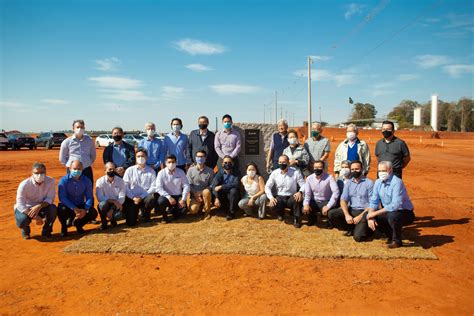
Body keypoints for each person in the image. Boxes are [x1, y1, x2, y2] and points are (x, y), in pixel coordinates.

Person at [366, 161, 415, 248]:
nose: (381, 173)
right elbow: (374, 201)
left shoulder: (397, 182)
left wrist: (375, 213)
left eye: (384, 170)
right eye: (379, 171)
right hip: (389, 211)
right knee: (371, 216)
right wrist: (370, 215)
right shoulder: (377, 182)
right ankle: (391, 235)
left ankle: (397, 241)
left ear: (390, 170)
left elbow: (396, 205)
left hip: (404, 212)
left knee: (393, 215)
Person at [327, 160, 374, 239]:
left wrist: (360, 216)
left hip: (364, 212)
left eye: (357, 169)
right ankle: (351, 228)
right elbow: (343, 200)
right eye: (352, 169)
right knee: (332, 214)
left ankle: (368, 230)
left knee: (358, 238)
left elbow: (372, 204)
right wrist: (346, 214)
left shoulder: (369, 183)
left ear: (362, 169)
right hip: (352, 210)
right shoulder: (349, 183)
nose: (354, 171)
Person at [14, 162, 57, 239]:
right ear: (32, 173)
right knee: (22, 220)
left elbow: (50, 198)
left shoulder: (50, 181)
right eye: (36, 173)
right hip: (26, 209)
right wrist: (35, 216)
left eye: (42, 172)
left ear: (46, 172)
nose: (39, 175)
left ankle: (46, 231)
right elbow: (20, 205)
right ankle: (25, 229)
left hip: (41, 207)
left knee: (53, 209)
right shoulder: (24, 184)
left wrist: (39, 206)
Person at [58, 160, 98, 237]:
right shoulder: (63, 181)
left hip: (80, 206)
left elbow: (89, 197)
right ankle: (64, 227)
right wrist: (74, 208)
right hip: (68, 206)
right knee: (61, 208)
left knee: (93, 212)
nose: (77, 171)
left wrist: (85, 209)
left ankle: (79, 224)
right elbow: (62, 197)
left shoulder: (87, 181)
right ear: (70, 169)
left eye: (79, 169)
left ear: (82, 169)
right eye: (74, 168)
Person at [265, 155, 305, 228]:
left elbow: (303, 184)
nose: (281, 164)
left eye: (284, 162)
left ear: (288, 163)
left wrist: (300, 192)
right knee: (273, 205)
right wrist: (271, 198)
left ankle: (296, 218)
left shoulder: (295, 172)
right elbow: (267, 186)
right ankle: (280, 213)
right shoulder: (275, 173)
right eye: (280, 162)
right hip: (280, 197)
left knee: (297, 199)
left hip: (291, 197)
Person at [122, 148, 157, 226]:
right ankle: (134, 213)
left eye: (142, 156)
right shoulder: (129, 170)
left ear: (146, 157)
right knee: (131, 223)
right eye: (138, 156)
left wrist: (141, 197)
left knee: (151, 198)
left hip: (145, 198)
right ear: (135, 157)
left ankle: (146, 214)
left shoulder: (151, 171)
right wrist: (133, 198)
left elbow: (154, 187)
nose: (140, 158)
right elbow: (125, 186)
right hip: (132, 199)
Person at [303, 160, 339, 227]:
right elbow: (307, 193)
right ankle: (312, 219)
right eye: (315, 167)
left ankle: (330, 222)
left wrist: (328, 206)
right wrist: (306, 204)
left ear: (323, 168)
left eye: (319, 167)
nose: (317, 169)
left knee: (330, 211)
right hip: (314, 201)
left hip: (326, 201)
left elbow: (336, 192)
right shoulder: (309, 178)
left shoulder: (330, 178)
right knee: (304, 208)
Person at [156, 154, 190, 223]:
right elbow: (159, 188)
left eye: (173, 162)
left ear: (176, 163)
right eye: (169, 162)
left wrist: (183, 199)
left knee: (183, 210)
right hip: (166, 197)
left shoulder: (181, 172)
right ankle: (164, 217)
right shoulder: (161, 173)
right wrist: (169, 197)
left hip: (178, 196)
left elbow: (186, 186)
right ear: (165, 163)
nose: (171, 164)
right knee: (161, 201)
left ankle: (173, 211)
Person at [59, 119, 96, 183]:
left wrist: (86, 163)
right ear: (73, 128)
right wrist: (71, 167)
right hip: (72, 171)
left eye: (82, 127)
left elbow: (93, 155)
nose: (80, 129)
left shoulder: (89, 141)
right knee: (72, 190)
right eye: (78, 127)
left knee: (88, 189)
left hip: (86, 170)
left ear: (84, 128)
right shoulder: (67, 142)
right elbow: (62, 158)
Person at [96, 162, 126, 230]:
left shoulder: (121, 181)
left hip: (116, 205)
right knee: (102, 205)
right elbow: (100, 198)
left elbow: (122, 198)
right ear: (105, 170)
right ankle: (104, 222)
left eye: (113, 169)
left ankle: (113, 219)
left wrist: (112, 209)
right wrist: (113, 201)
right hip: (106, 203)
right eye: (110, 169)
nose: (112, 171)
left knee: (118, 215)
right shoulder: (100, 181)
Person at [186, 150, 215, 218]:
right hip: (195, 194)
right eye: (198, 156)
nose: (200, 158)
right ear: (195, 158)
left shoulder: (210, 171)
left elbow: (212, 184)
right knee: (193, 210)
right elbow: (189, 184)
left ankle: (207, 212)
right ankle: (200, 206)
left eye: (202, 156)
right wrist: (196, 195)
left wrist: (202, 192)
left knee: (206, 192)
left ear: (205, 158)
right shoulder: (190, 170)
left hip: (205, 194)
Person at [211, 155, 240, 220]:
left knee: (233, 190)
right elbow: (214, 185)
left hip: (232, 195)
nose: (227, 164)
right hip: (223, 195)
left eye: (229, 162)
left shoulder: (236, 172)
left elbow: (236, 184)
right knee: (215, 191)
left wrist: (222, 186)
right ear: (222, 164)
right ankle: (224, 209)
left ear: (233, 163)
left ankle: (231, 212)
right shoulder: (220, 172)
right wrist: (216, 198)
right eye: (225, 162)